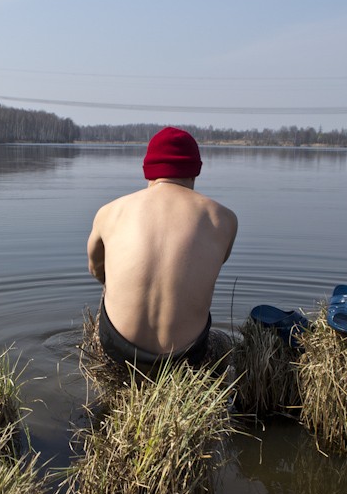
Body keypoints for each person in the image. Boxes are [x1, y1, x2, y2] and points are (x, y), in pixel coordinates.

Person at [87, 126, 238, 376]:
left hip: (117, 351)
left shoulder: (110, 211)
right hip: (186, 357)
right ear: (195, 171)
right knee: (223, 342)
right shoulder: (223, 218)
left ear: (148, 171)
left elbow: (95, 270)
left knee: (109, 285)